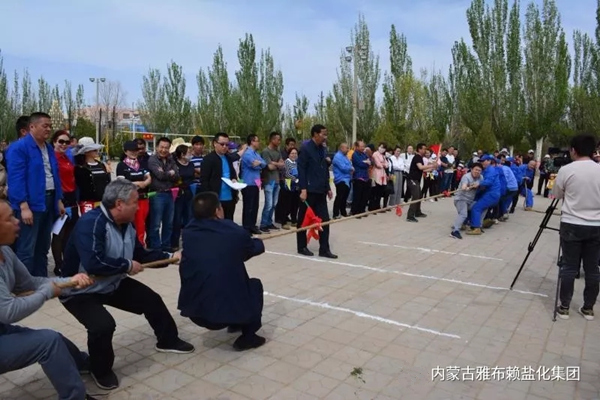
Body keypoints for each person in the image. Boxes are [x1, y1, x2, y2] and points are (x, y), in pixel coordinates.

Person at [60, 179, 194, 391]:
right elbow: (94, 262)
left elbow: (140, 254)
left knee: (151, 300)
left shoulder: (127, 225)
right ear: (119, 204)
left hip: (111, 282)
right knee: (103, 325)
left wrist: (169, 257)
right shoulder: (91, 223)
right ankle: (100, 370)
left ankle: (168, 340)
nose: (138, 207)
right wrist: (126, 265)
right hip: (80, 290)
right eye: (135, 202)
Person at [0, 199, 97, 400]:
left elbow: (31, 283)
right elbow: (8, 311)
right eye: (9, 218)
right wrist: (47, 292)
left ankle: (87, 365)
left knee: (53, 338)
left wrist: (70, 281)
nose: (17, 221)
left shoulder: (5, 252)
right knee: (48, 342)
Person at [178, 192, 266, 351]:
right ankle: (248, 337)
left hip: (195, 311)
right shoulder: (232, 231)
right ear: (217, 211)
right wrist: (258, 242)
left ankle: (236, 322)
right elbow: (253, 249)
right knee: (254, 286)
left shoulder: (188, 232)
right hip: (219, 313)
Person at [7, 112, 65, 276]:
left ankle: (40, 280)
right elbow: (16, 179)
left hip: (49, 200)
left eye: (50, 126)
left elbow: (54, 174)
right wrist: (23, 206)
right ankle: (24, 284)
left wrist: (59, 200)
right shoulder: (19, 148)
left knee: (43, 246)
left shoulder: (48, 148)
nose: (48, 129)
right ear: (32, 127)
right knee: (26, 247)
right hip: (31, 203)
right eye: (45, 126)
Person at [553, 134, 600, 320]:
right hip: (596, 225)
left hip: (572, 222)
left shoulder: (567, 170)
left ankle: (564, 306)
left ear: (573, 150)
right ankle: (588, 308)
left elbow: (556, 194)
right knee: (592, 268)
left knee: (569, 267)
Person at [296, 125, 337, 259]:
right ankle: (302, 246)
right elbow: (301, 169)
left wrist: (328, 188)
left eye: (326, 134)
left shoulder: (322, 149)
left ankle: (324, 249)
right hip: (308, 190)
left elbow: (324, 169)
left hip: (320, 190)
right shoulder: (306, 148)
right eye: (323, 134)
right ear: (315, 134)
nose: (325, 137)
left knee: (325, 220)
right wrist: (303, 189)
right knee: (303, 219)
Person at [51, 131, 78, 276]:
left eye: (67, 142)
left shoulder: (67, 157)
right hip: (61, 198)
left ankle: (67, 263)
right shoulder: (52, 158)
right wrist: (59, 200)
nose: (64, 144)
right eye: (61, 141)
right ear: (54, 142)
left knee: (69, 233)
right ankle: (58, 265)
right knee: (59, 234)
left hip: (72, 197)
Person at [116, 140, 152, 245]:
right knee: (128, 225)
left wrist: (144, 183)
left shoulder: (141, 164)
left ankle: (140, 246)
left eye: (136, 150)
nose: (134, 152)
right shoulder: (121, 165)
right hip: (128, 200)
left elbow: (149, 177)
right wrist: (138, 183)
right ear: (125, 151)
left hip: (142, 199)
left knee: (141, 225)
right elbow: (121, 182)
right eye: (131, 150)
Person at [147, 136, 180, 251]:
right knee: (156, 224)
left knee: (168, 223)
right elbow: (159, 175)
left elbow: (177, 175)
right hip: (157, 194)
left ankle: (166, 247)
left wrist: (169, 173)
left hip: (169, 193)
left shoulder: (171, 159)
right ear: (157, 147)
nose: (164, 150)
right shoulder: (152, 160)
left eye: (166, 147)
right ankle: (155, 248)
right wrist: (170, 173)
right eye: (161, 147)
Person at [200, 132, 239, 220]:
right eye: (222, 144)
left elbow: (233, 174)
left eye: (227, 144)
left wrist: (234, 179)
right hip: (216, 199)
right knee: (216, 223)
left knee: (229, 222)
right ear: (215, 143)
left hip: (230, 197)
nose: (224, 147)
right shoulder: (208, 159)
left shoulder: (228, 158)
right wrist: (210, 199)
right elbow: (204, 181)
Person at [73, 137, 110, 216]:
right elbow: (81, 186)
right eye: (94, 150)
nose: (97, 151)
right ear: (86, 152)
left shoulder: (102, 165)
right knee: (89, 220)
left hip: (102, 201)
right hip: (88, 202)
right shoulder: (80, 168)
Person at [466, 155, 502, 235]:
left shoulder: (491, 170)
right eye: (481, 161)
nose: (482, 163)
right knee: (479, 208)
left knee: (476, 208)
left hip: (491, 194)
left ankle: (476, 228)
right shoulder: (485, 170)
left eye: (483, 161)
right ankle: (475, 224)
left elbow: (489, 182)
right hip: (489, 194)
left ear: (489, 161)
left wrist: (478, 184)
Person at [240, 134, 267, 235]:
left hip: (256, 183)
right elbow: (253, 165)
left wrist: (259, 163)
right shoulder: (247, 153)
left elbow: (264, 164)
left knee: (255, 205)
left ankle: (252, 225)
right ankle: (246, 227)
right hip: (248, 183)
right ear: (252, 142)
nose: (258, 142)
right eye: (257, 140)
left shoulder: (256, 154)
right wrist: (259, 164)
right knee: (248, 206)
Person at [171, 144, 195, 250]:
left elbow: (192, 177)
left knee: (189, 217)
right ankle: (174, 242)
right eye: (188, 152)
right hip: (178, 193)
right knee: (177, 218)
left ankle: (188, 241)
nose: (191, 154)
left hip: (188, 192)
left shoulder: (191, 164)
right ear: (182, 154)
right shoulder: (175, 164)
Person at [259, 132, 285, 231]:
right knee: (268, 204)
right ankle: (263, 224)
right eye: (278, 139)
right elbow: (269, 167)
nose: (279, 141)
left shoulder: (278, 151)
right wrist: (276, 164)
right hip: (269, 181)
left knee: (274, 204)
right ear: (272, 139)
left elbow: (282, 164)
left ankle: (269, 222)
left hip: (277, 180)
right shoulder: (266, 151)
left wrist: (274, 163)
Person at [450, 163, 482, 239]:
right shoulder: (466, 176)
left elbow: (481, 184)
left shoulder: (481, 177)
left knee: (481, 206)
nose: (477, 172)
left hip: (470, 201)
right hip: (461, 199)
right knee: (463, 214)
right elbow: (464, 185)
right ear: (471, 169)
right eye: (476, 170)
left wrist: (477, 185)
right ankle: (455, 231)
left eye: (479, 170)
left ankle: (475, 225)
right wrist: (465, 187)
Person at [406, 143, 436, 223]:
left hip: (417, 180)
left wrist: (432, 168)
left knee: (419, 195)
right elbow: (421, 167)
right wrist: (431, 165)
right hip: (412, 179)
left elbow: (422, 170)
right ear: (419, 149)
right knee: (416, 196)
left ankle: (417, 212)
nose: (425, 150)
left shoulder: (420, 158)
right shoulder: (417, 157)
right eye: (423, 149)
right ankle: (410, 216)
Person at [332, 142, 353, 219]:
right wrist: (350, 168)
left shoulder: (345, 156)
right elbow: (343, 167)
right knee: (339, 197)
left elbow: (349, 164)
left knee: (344, 197)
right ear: (341, 148)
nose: (348, 149)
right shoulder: (337, 157)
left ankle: (343, 211)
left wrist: (350, 167)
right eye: (346, 148)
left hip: (347, 179)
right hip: (340, 179)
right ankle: (335, 213)